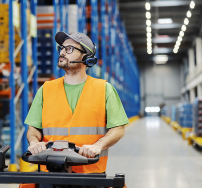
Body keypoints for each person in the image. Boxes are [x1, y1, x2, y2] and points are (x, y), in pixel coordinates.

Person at [25, 31, 128, 178]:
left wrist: (97, 146)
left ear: (85, 57)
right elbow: (33, 129)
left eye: (69, 49)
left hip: (90, 173)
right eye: (61, 48)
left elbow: (118, 129)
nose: (62, 52)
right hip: (51, 173)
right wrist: (35, 143)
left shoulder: (104, 89)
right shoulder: (45, 89)